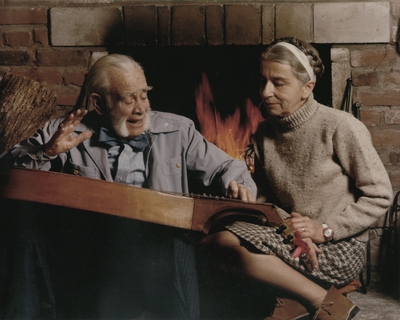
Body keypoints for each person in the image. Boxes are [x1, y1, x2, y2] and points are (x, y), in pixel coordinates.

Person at [0, 53, 256, 319]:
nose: (141, 108)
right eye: (128, 98)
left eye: (143, 95)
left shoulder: (178, 130)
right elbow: (7, 172)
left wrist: (237, 185)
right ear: (98, 103)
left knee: (177, 243)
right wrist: (48, 152)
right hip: (90, 245)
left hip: (157, 240)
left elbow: (229, 167)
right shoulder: (64, 131)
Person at [202, 37, 393, 320]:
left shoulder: (341, 127)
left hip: (338, 246)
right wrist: (246, 196)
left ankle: (317, 301)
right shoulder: (265, 132)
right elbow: (268, 197)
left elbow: (380, 195)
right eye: (263, 81)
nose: (265, 92)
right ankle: (313, 299)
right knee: (216, 240)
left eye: (278, 83)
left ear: (307, 88)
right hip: (293, 236)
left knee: (220, 245)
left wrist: (323, 230)